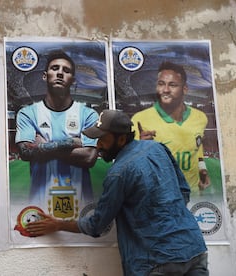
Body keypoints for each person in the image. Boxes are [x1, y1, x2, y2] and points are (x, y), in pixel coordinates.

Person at [26, 109, 208, 276]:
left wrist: (58, 224)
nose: (98, 145)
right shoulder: (157, 148)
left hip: (157, 261)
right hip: (194, 248)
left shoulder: (118, 172)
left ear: (121, 139)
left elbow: (97, 225)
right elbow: (183, 191)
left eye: (103, 139)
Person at [15, 50, 99, 211]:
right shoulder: (28, 113)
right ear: (45, 76)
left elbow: (89, 158)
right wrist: (73, 142)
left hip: (80, 207)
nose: (60, 73)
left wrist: (44, 146)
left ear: (73, 80)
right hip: (40, 205)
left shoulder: (88, 115)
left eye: (66, 71)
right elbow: (25, 152)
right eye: (55, 68)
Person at [131, 61, 210, 196]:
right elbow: (130, 164)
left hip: (192, 195)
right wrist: (139, 146)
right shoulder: (140, 120)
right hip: (159, 199)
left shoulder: (200, 118)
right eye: (161, 84)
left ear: (185, 89)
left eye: (172, 85)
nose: (165, 90)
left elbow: (198, 147)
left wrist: (203, 170)